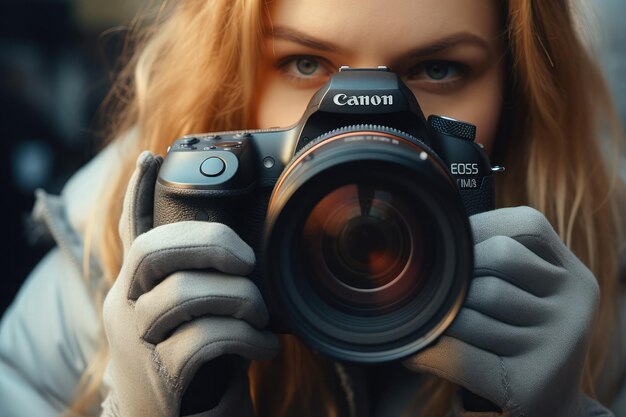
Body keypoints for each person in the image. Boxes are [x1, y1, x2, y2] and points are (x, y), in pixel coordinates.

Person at [0, 0, 624, 416]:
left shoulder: (596, 289)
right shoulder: (99, 267)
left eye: (439, 67)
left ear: (516, 94)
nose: (366, 117)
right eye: (304, 63)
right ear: (232, 74)